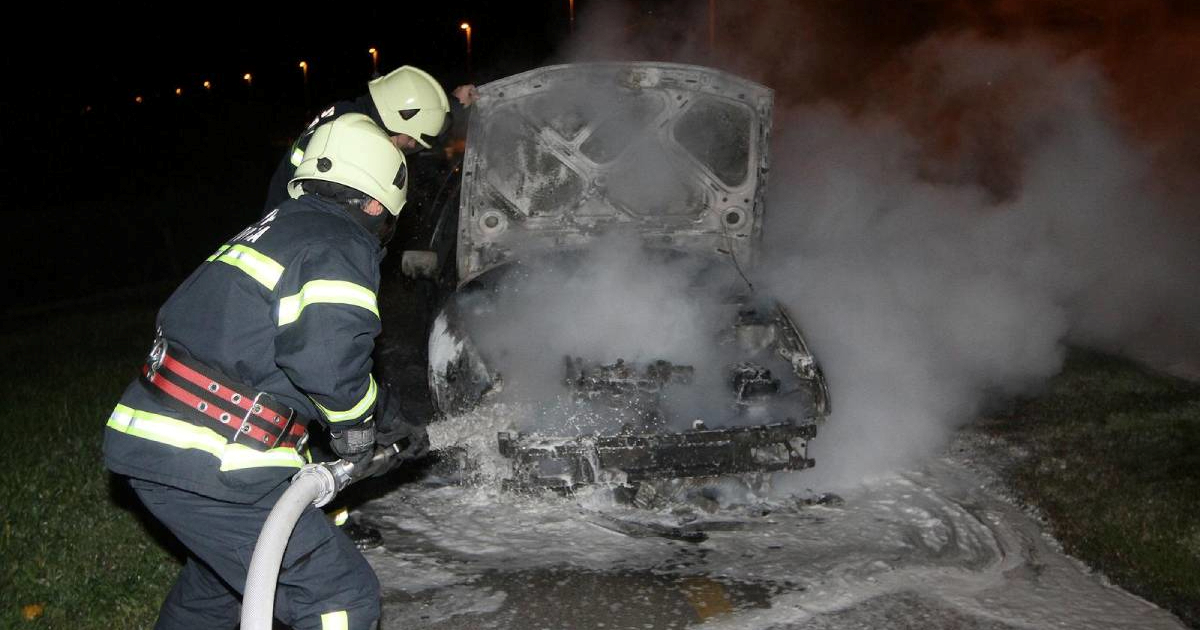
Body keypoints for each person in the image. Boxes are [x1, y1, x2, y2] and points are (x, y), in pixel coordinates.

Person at [104, 112, 428, 630]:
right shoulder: (340, 241)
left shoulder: (281, 227)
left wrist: (387, 416)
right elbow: (327, 358)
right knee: (340, 597)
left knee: (222, 588)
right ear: (375, 201)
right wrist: (359, 430)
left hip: (160, 440)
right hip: (213, 457)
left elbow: (279, 350)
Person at [263, 64, 477, 214]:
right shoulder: (351, 143)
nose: (412, 146)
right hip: (295, 235)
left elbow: (411, 110)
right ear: (395, 120)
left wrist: (453, 104)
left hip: (281, 220)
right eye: (412, 139)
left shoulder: (350, 115)